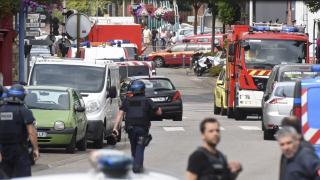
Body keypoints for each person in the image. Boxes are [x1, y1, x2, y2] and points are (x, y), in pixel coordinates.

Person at [112, 80, 162, 173]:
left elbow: (120, 114)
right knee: (140, 145)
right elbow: (158, 112)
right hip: (142, 128)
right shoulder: (147, 100)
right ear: (143, 90)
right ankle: (137, 166)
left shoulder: (127, 101)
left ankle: (135, 164)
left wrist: (115, 128)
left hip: (130, 129)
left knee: (134, 146)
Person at [0, 84, 39, 178]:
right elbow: (31, 132)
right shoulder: (25, 111)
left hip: (3, 151)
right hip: (20, 151)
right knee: (22, 177)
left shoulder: (1, 110)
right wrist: (35, 149)